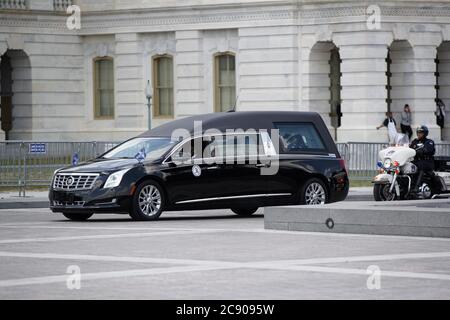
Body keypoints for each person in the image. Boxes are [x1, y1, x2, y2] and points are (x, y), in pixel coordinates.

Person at [409, 125, 435, 194]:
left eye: (421, 132)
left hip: (427, 162)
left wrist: (423, 150)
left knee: (421, 166)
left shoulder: (429, 142)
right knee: (407, 166)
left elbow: (429, 150)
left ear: (425, 133)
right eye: (418, 132)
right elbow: (409, 149)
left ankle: (416, 188)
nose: (418, 134)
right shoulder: (414, 141)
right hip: (416, 161)